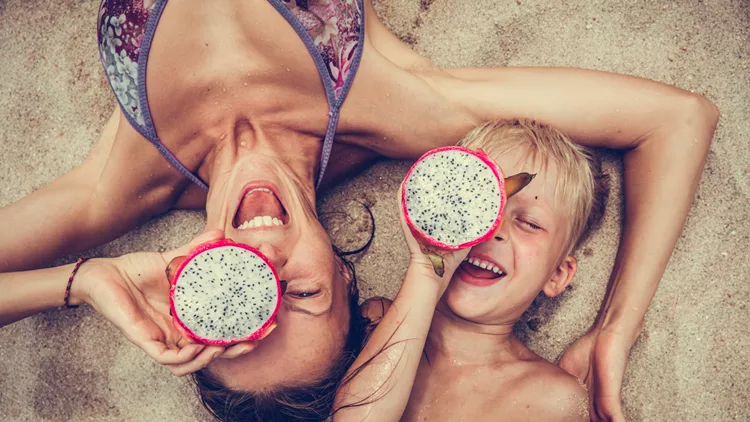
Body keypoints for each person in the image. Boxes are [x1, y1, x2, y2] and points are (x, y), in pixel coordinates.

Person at [0, 0, 718, 419]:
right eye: (301, 292)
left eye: (242, 299)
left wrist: (82, 282)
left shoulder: (119, 188)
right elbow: (677, 119)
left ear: (194, 292)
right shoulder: (401, 110)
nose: (267, 261)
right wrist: (615, 328)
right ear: (347, 280)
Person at [334, 120, 607, 421]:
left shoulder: (554, 397)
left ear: (557, 275)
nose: (492, 229)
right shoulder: (379, 318)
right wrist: (427, 270)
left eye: (529, 223)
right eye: (478, 204)